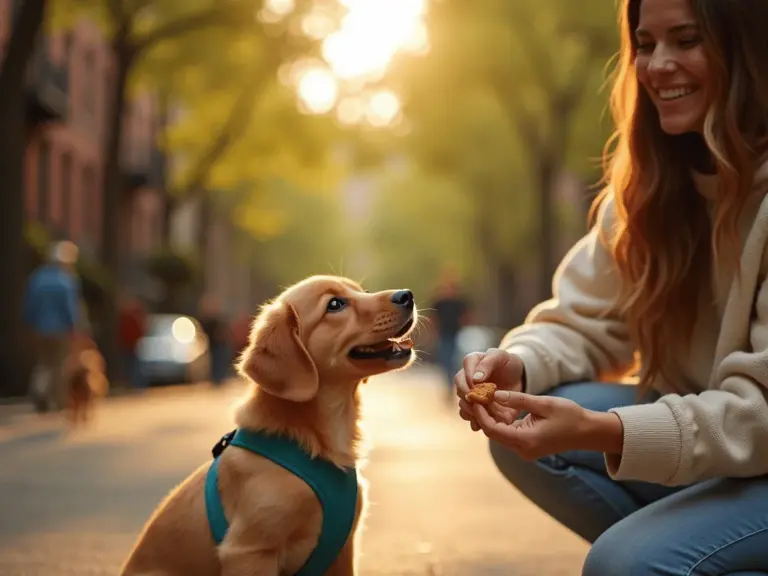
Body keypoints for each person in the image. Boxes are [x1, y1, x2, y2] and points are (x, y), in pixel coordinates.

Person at [454, 0, 768, 573]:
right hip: (725, 454)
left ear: (748, 46)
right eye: (646, 45)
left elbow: (762, 414)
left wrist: (609, 430)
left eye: (687, 39)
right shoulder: (652, 185)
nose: (658, 66)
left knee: (622, 563)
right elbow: (584, 322)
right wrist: (516, 365)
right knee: (522, 428)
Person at [24, 240, 82, 413]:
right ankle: (58, 400)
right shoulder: (66, 281)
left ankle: (39, 388)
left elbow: (29, 305)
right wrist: (75, 327)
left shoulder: (37, 278)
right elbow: (71, 308)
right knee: (59, 364)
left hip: (40, 328)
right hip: (60, 329)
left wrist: (30, 324)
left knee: (43, 362)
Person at [429, 268, 471, 398]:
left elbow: (467, 316)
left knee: (454, 359)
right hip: (443, 334)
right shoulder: (440, 302)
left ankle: (452, 384)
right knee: (445, 360)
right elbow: (432, 317)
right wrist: (433, 332)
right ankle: (448, 385)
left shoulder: (459, 302)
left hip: (457, 334)